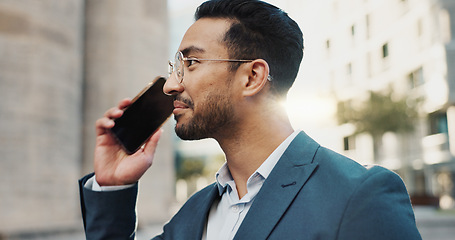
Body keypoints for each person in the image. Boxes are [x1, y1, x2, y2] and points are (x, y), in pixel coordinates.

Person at [79, 0, 422, 239]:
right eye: (175, 68)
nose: (171, 85)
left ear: (252, 77)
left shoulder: (359, 195)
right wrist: (112, 186)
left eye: (191, 64)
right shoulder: (194, 214)